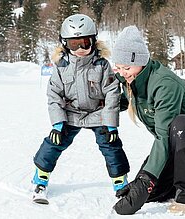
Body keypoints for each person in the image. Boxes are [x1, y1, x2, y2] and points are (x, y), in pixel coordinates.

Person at [111, 25, 185, 215]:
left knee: (180, 125)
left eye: (126, 67)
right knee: (153, 194)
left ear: (141, 61)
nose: (123, 72)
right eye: (119, 68)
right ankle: (170, 188)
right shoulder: (133, 81)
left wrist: (146, 179)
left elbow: (163, 135)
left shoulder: (164, 84)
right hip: (173, 141)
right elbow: (119, 101)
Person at [31, 14, 130, 204]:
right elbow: (54, 95)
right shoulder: (61, 66)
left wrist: (111, 125)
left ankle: (120, 184)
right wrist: (58, 123)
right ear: (64, 44)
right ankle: (40, 180)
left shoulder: (102, 65)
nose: (80, 49)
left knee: (111, 145)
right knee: (52, 143)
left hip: (98, 113)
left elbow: (112, 93)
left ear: (94, 41)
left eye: (85, 43)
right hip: (71, 113)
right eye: (74, 44)